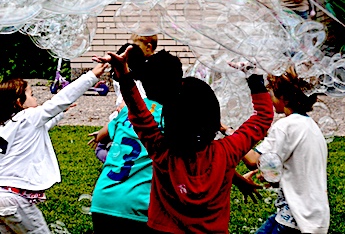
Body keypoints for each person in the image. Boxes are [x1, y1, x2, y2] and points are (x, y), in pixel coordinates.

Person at [96, 46, 274, 233]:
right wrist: (254, 79)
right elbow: (262, 118)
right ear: (214, 118)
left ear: (169, 118)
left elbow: (139, 112)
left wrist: (124, 74)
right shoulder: (227, 151)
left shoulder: (161, 151)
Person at [0, 60, 110, 233]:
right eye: (31, 94)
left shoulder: (6, 124)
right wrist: (92, 76)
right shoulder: (29, 116)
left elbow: (45, 124)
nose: (36, 98)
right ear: (18, 102)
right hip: (16, 199)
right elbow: (60, 100)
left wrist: (61, 112)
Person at [90, 46, 182, 234]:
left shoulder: (128, 111)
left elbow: (104, 133)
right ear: (178, 84)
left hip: (103, 198)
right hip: (139, 205)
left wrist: (99, 137)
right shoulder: (172, 118)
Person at [243, 69, 330, 234]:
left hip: (296, 219)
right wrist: (269, 174)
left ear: (285, 98)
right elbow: (293, 168)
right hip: (313, 216)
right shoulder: (311, 126)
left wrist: (229, 133)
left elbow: (254, 160)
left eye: (273, 94)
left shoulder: (286, 126)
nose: (271, 98)